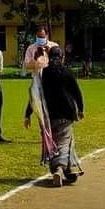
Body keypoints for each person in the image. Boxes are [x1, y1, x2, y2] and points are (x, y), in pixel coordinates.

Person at [24, 45, 84, 186]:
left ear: (48, 58)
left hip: (49, 116)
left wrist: (27, 115)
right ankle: (59, 168)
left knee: (54, 143)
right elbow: (77, 92)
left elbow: (35, 96)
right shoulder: (67, 72)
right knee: (64, 143)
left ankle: (69, 170)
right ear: (62, 57)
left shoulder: (43, 74)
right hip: (66, 114)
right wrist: (81, 109)